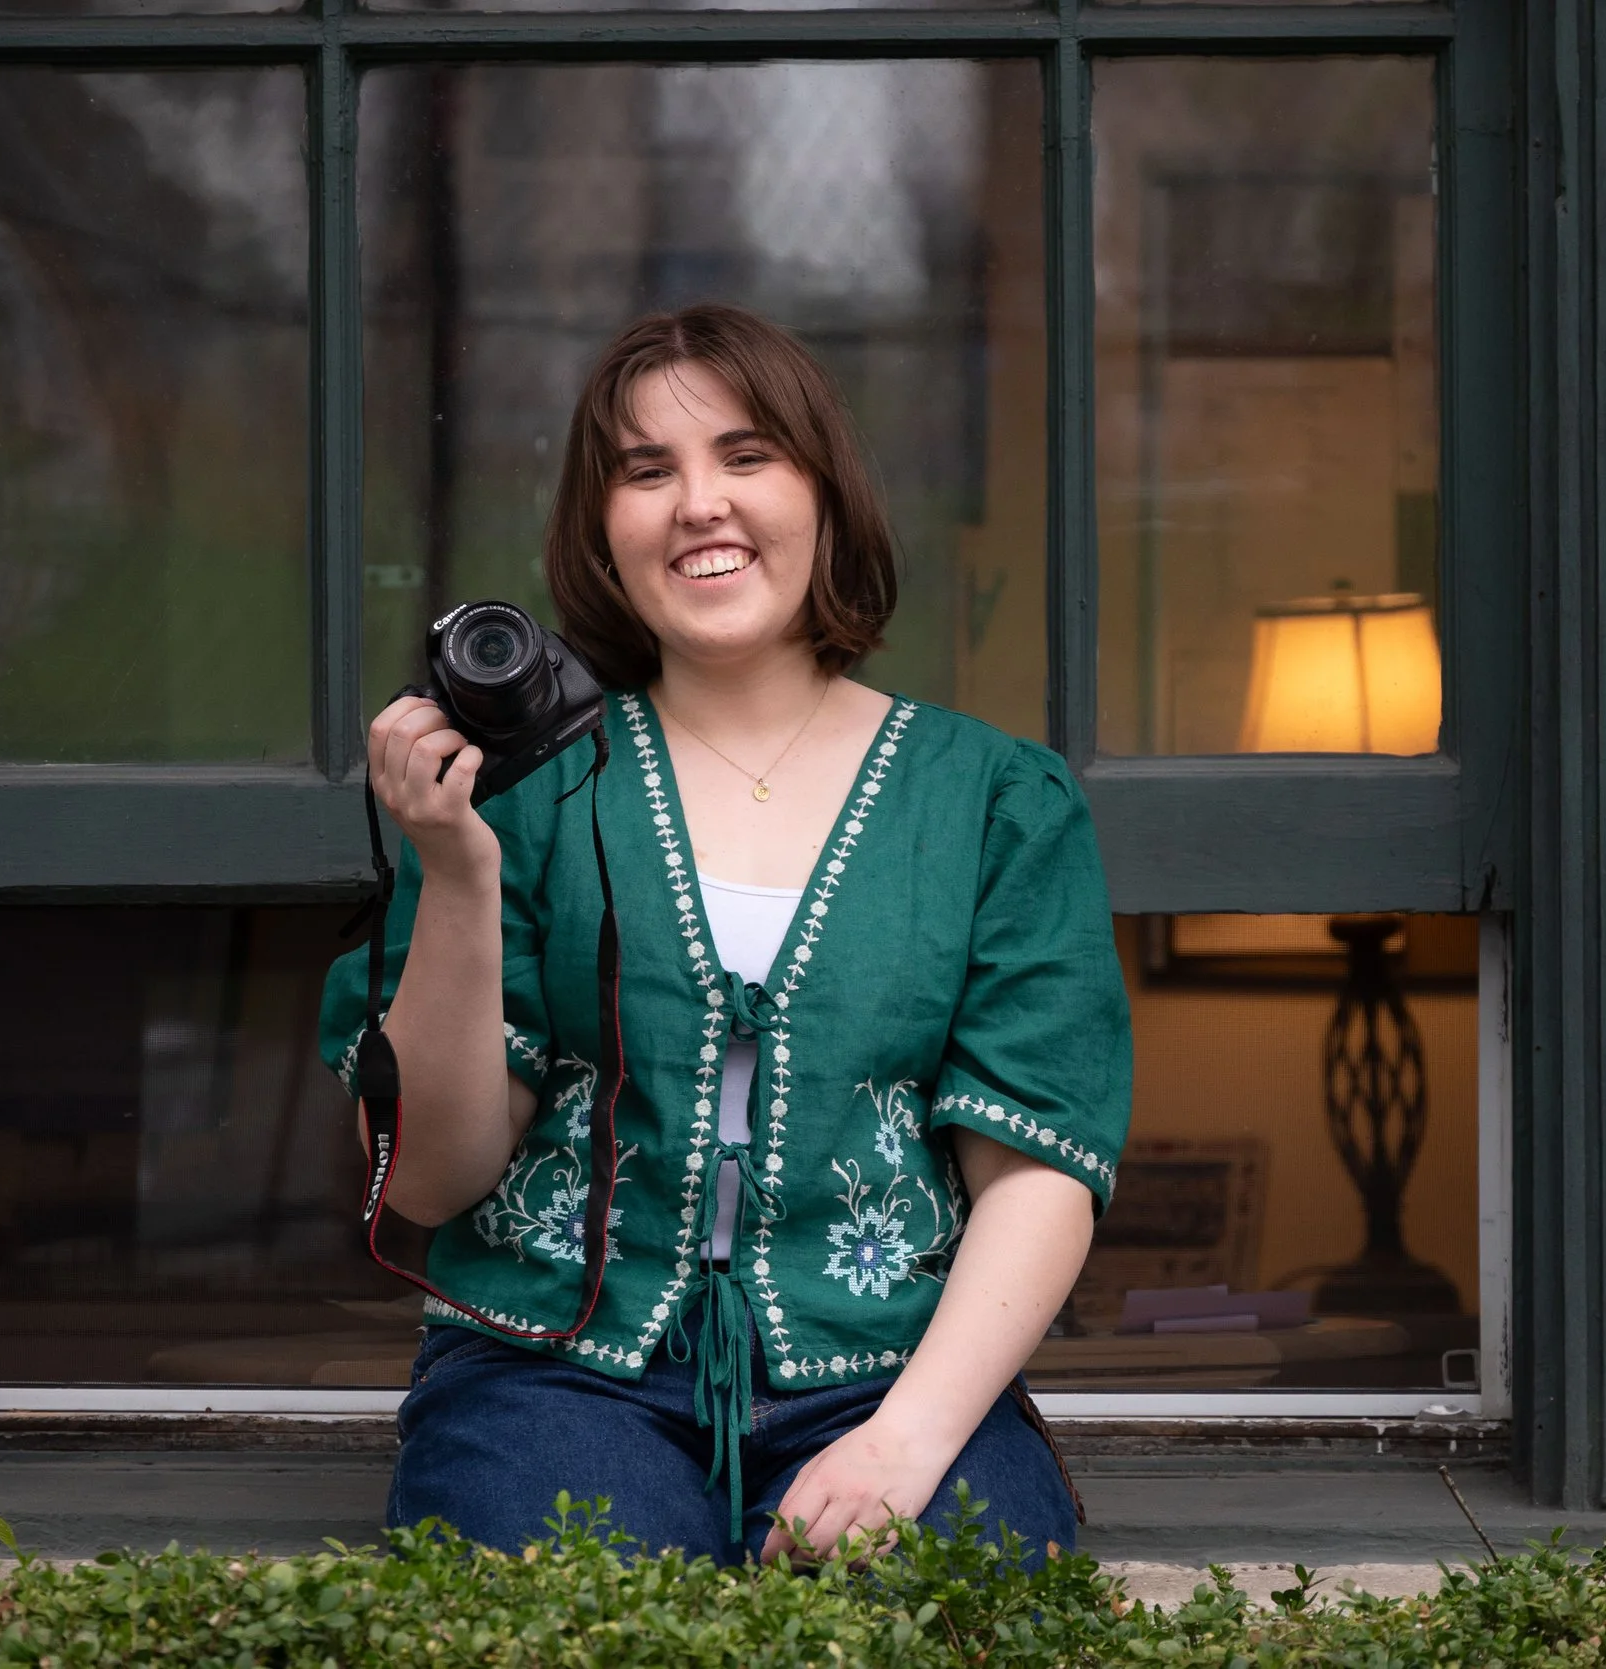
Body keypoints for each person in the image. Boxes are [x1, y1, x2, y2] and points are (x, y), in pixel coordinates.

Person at [320, 302, 1132, 1567]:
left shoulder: (991, 800)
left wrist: (906, 1441)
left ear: (823, 491)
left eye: (746, 455)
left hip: (890, 1370)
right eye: (646, 472)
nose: (700, 504)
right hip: (555, 1368)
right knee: (585, 1615)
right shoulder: (521, 790)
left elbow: (1035, 1169)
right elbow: (429, 1181)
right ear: (602, 526)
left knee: (934, 1607)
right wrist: (458, 869)